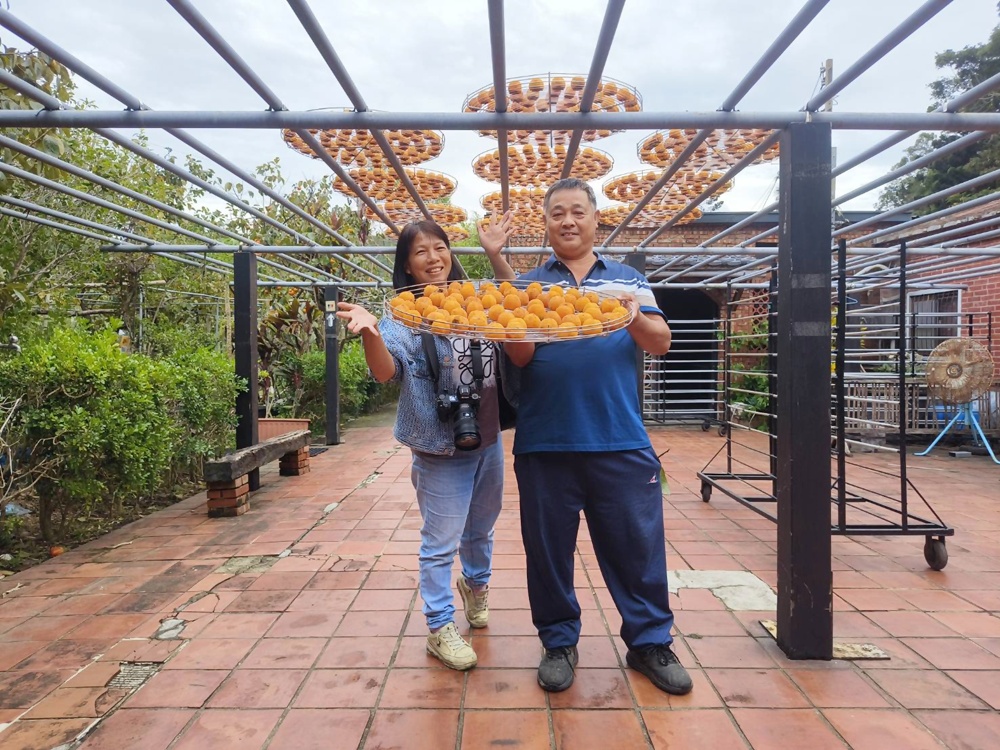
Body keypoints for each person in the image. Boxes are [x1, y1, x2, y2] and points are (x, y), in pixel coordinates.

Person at [503, 178, 693, 695]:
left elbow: (661, 343)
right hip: (546, 441)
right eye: (557, 213)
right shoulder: (527, 285)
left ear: (594, 218)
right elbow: (520, 357)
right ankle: (558, 641)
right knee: (547, 553)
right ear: (545, 224)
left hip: (620, 439)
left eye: (577, 212)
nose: (568, 221)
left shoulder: (628, 278)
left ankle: (650, 642)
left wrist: (625, 308)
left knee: (638, 549)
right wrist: (514, 318)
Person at [336, 214, 515, 671]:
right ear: (408, 266)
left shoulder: (475, 296)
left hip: (489, 435)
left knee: (482, 526)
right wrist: (372, 332)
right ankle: (439, 626)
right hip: (439, 444)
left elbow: (515, 311)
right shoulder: (399, 313)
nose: (433, 258)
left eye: (439, 247)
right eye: (420, 252)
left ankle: (476, 585)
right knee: (441, 541)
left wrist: (496, 255)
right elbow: (384, 372)